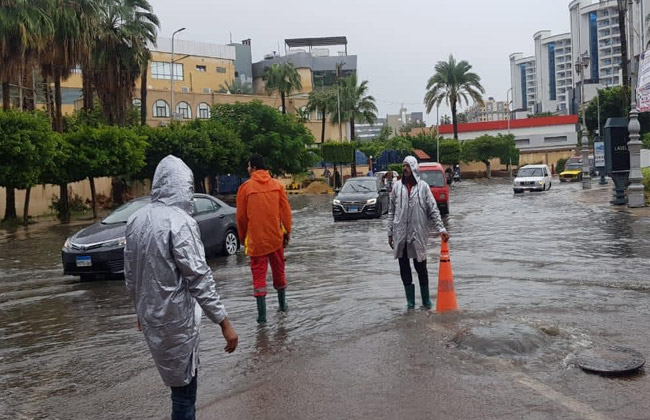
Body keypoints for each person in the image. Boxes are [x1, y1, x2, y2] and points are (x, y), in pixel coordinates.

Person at [125, 155, 238, 420]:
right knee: (184, 394)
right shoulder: (180, 222)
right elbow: (199, 278)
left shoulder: (135, 220)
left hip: (152, 318)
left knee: (178, 387)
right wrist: (224, 323)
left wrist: (139, 312)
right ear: (183, 186)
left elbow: (131, 275)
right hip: (177, 322)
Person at [387, 156, 450, 309]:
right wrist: (390, 233)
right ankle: (410, 302)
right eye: (403, 166)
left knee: (421, 267)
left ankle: (426, 300)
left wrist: (441, 228)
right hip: (401, 234)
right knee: (404, 268)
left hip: (418, 234)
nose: (405, 169)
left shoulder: (423, 187)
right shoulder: (397, 187)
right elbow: (391, 211)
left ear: (414, 168)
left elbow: (433, 210)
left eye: (407, 166)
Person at [236, 154, 292, 324]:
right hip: (276, 239)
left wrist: (242, 237)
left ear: (253, 168)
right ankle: (283, 307)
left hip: (256, 242)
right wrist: (287, 233)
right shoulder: (277, 186)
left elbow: (241, 218)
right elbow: (286, 213)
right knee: (279, 271)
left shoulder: (245, 188)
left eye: (248, 166)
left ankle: (262, 318)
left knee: (259, 278)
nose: (247, 169)